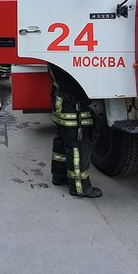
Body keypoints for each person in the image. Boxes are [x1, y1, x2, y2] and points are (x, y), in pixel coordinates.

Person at [48, 65, 102, 198]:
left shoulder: (56, 55)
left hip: (61, 99)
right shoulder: (68, 55)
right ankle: (80, 187)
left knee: (62, 139)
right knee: (77, 144)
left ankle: (59, 176)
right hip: (73, 103)